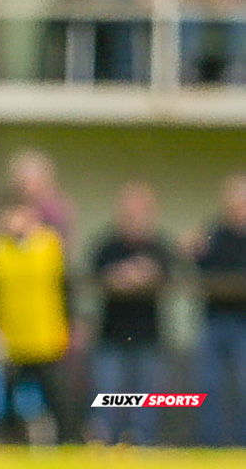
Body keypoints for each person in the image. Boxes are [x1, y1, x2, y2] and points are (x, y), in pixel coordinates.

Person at [0, 192, 78, 442]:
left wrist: (69, 326)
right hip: (12, 340)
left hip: (46, 337)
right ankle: (11, 444)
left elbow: (66, 289)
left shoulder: (50, 245)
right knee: (8, 402)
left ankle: (69, 443)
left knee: (57, 400)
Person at [88, 181, 172, 445]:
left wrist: (144, 275)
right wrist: (122, 276)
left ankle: (142, 445)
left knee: (145, 400)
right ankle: (105, 444)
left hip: (148, 338)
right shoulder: (107, 245)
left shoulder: (160, 246)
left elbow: (167, 276)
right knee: (108, 397)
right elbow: (96, 277)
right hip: (111, 337)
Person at [185, 174, 246, 446]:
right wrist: (192, 252)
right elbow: (201, 271)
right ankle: (211, 444)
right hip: (214, 320)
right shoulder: (213, 233)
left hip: (243, 323)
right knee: (209, 387)